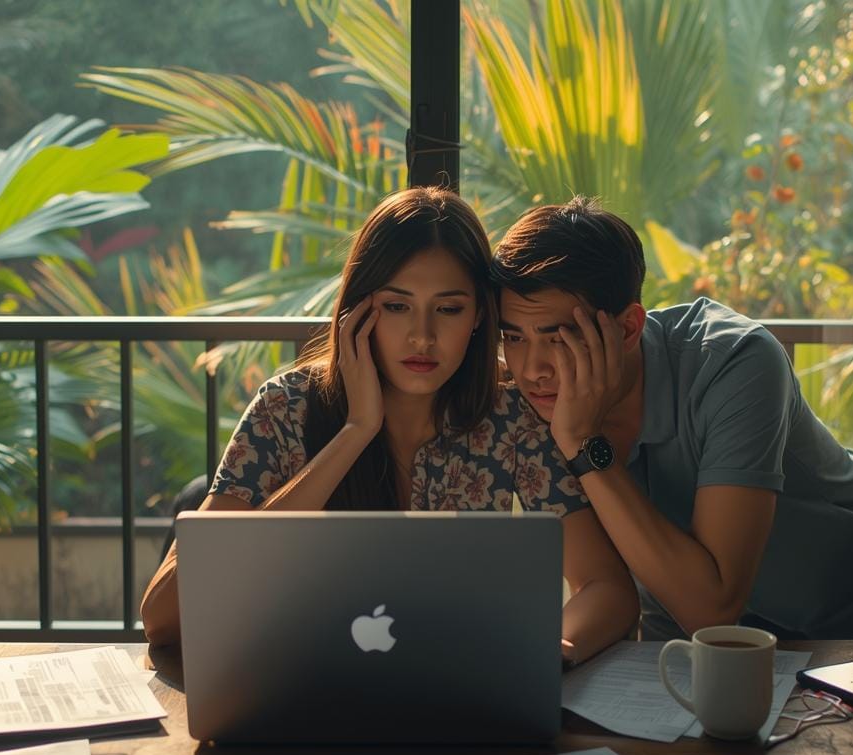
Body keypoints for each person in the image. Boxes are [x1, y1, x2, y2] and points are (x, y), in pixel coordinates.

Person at [141, 188, 638, 661]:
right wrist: (355, 432)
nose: (421, 337)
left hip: (456, 699)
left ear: (480, 318)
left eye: (448, 308)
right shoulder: (284, 409)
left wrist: (551, 654)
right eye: (397, 307)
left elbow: (608, 589)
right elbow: (162, 617)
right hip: (295, 692)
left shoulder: (510, 417)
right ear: (359, 311)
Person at [490, 196, 853, 641]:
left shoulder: (736, 362)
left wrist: (583, 441)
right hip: (712, 636)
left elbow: (711, 607)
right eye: (514, 337)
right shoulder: (533, 401)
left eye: (557, 338)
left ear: (627, 328)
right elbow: (613, 587)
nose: (532, 370)